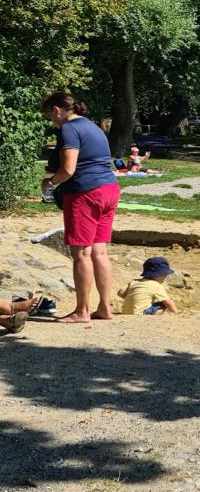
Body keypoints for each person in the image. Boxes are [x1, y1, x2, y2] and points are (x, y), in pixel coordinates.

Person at [40, 92, 121, 323]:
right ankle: (105, 308)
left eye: (49, 115)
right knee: (99, 251)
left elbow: (68, 169)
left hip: (85, 192)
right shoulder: (94, 127)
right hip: (109, 189)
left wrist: (50, 182)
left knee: (81, 254)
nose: (51, 120)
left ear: (56, 110)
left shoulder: (68, 129)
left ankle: (81, 311)